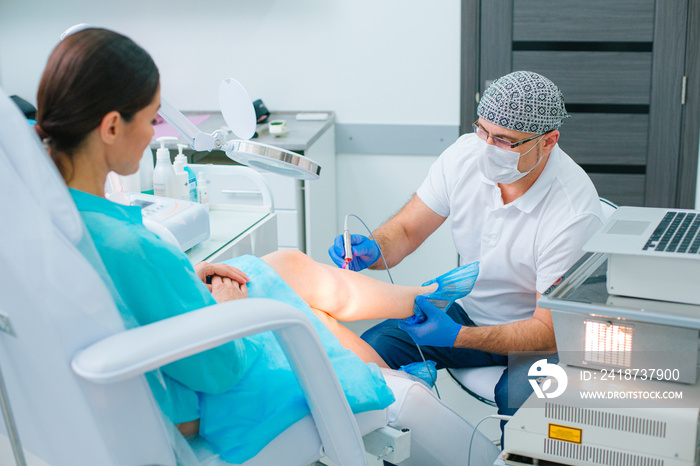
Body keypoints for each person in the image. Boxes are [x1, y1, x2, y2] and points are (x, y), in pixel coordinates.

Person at [35, 27, 486, 464]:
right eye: (152, 118)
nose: (156, 131)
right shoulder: (126, 244)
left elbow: (128, 296)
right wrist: (228, 310)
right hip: (209, 397)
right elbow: (221, 369)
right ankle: (398, 389)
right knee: (304, 316)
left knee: (286, 265)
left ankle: (419, 307)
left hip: (160, 359)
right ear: (112, 126)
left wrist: (187, 281)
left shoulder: (49, 215)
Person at [329, 70, 604, 443]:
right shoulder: (463, 156)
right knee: (373, 349)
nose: (488, 148)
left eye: (505, 141)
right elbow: (407, 230)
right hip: (467, 309)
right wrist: (375, 248)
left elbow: (546, 330)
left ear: (548, 142)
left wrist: (457, 337)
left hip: (537, 334)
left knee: (526, 404)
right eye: (483, 131)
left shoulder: (571, 213)